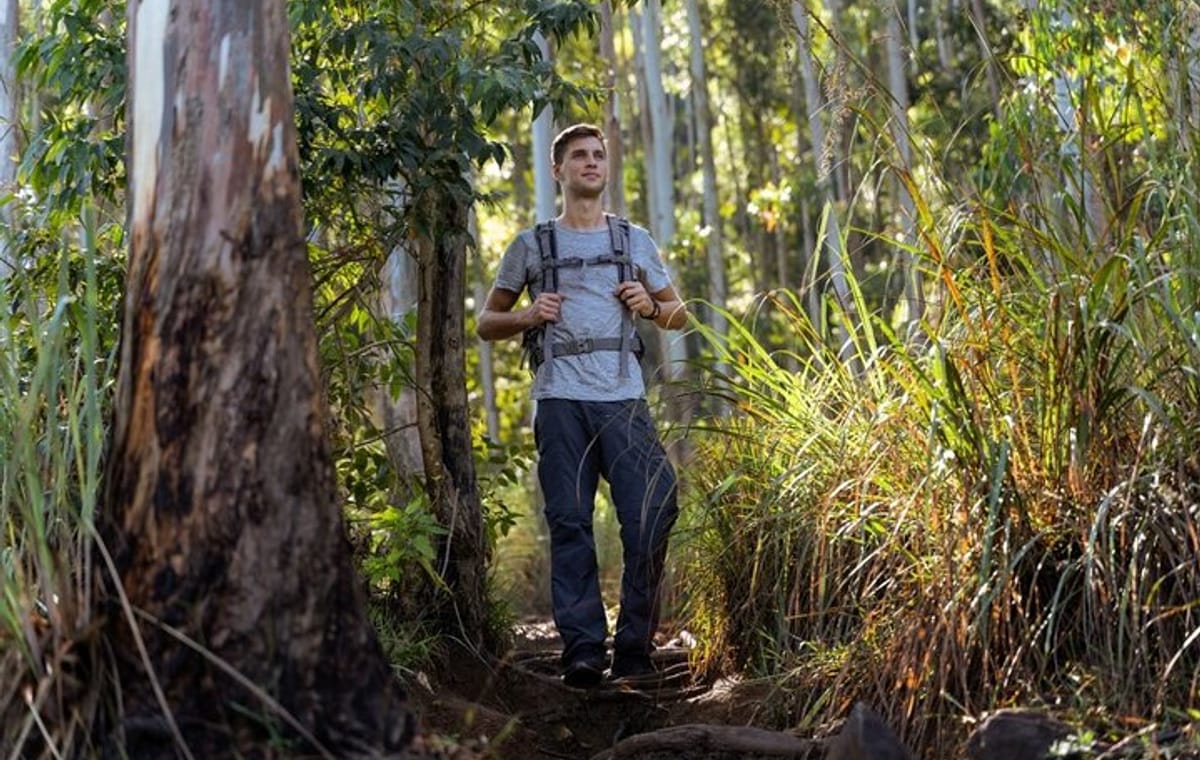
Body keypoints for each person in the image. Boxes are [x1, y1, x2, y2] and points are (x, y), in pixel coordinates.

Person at [477, 123, 687, 688]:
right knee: (570, 523)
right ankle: (584, 651)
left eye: (598, 155)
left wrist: (649, 304)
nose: (592, 163)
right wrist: (526, 316)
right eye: (579, 156)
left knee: (653, 511)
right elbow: (486, 323)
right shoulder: (531, 245)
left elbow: (678, 313)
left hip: (623, 400)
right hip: (559, 401)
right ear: (559, 171)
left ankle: (636, 649)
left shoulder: (634, 240)